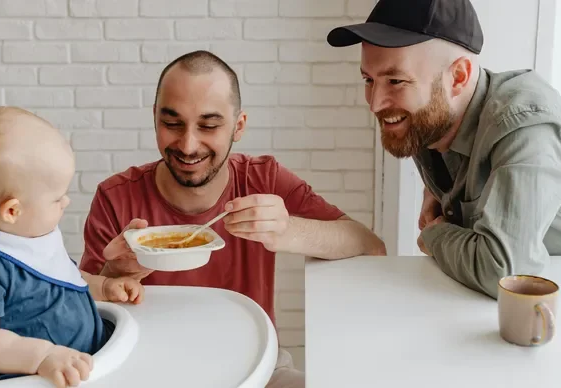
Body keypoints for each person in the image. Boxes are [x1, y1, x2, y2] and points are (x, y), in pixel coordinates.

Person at [79, 50, 387, 387]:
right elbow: (82, 319)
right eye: (172, 123)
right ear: (155, 118)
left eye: (209, 125)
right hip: (151, 369)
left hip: (258, 364)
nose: (188, 144)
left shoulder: (264, 179)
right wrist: (114, 276)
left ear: (238, 126)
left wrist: (288, 231)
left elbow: (369, 246)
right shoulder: (115, 196)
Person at [326, 0, 561, 298]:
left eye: (396, 81)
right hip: (549, 303)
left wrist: (435, 235)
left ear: (458, 76)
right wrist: (440, 195)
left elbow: (505, 271)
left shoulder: (525, 126)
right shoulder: (430, 122)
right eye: (369, 80)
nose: (375, 103)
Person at [0, 107, 144, 387]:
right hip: (33, 380)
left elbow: (62, 282)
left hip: (92, 367)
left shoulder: (30, 238)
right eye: (57, 198)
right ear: (13, 211)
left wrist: (104, 286)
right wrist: (43, 356)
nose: (66, 202)